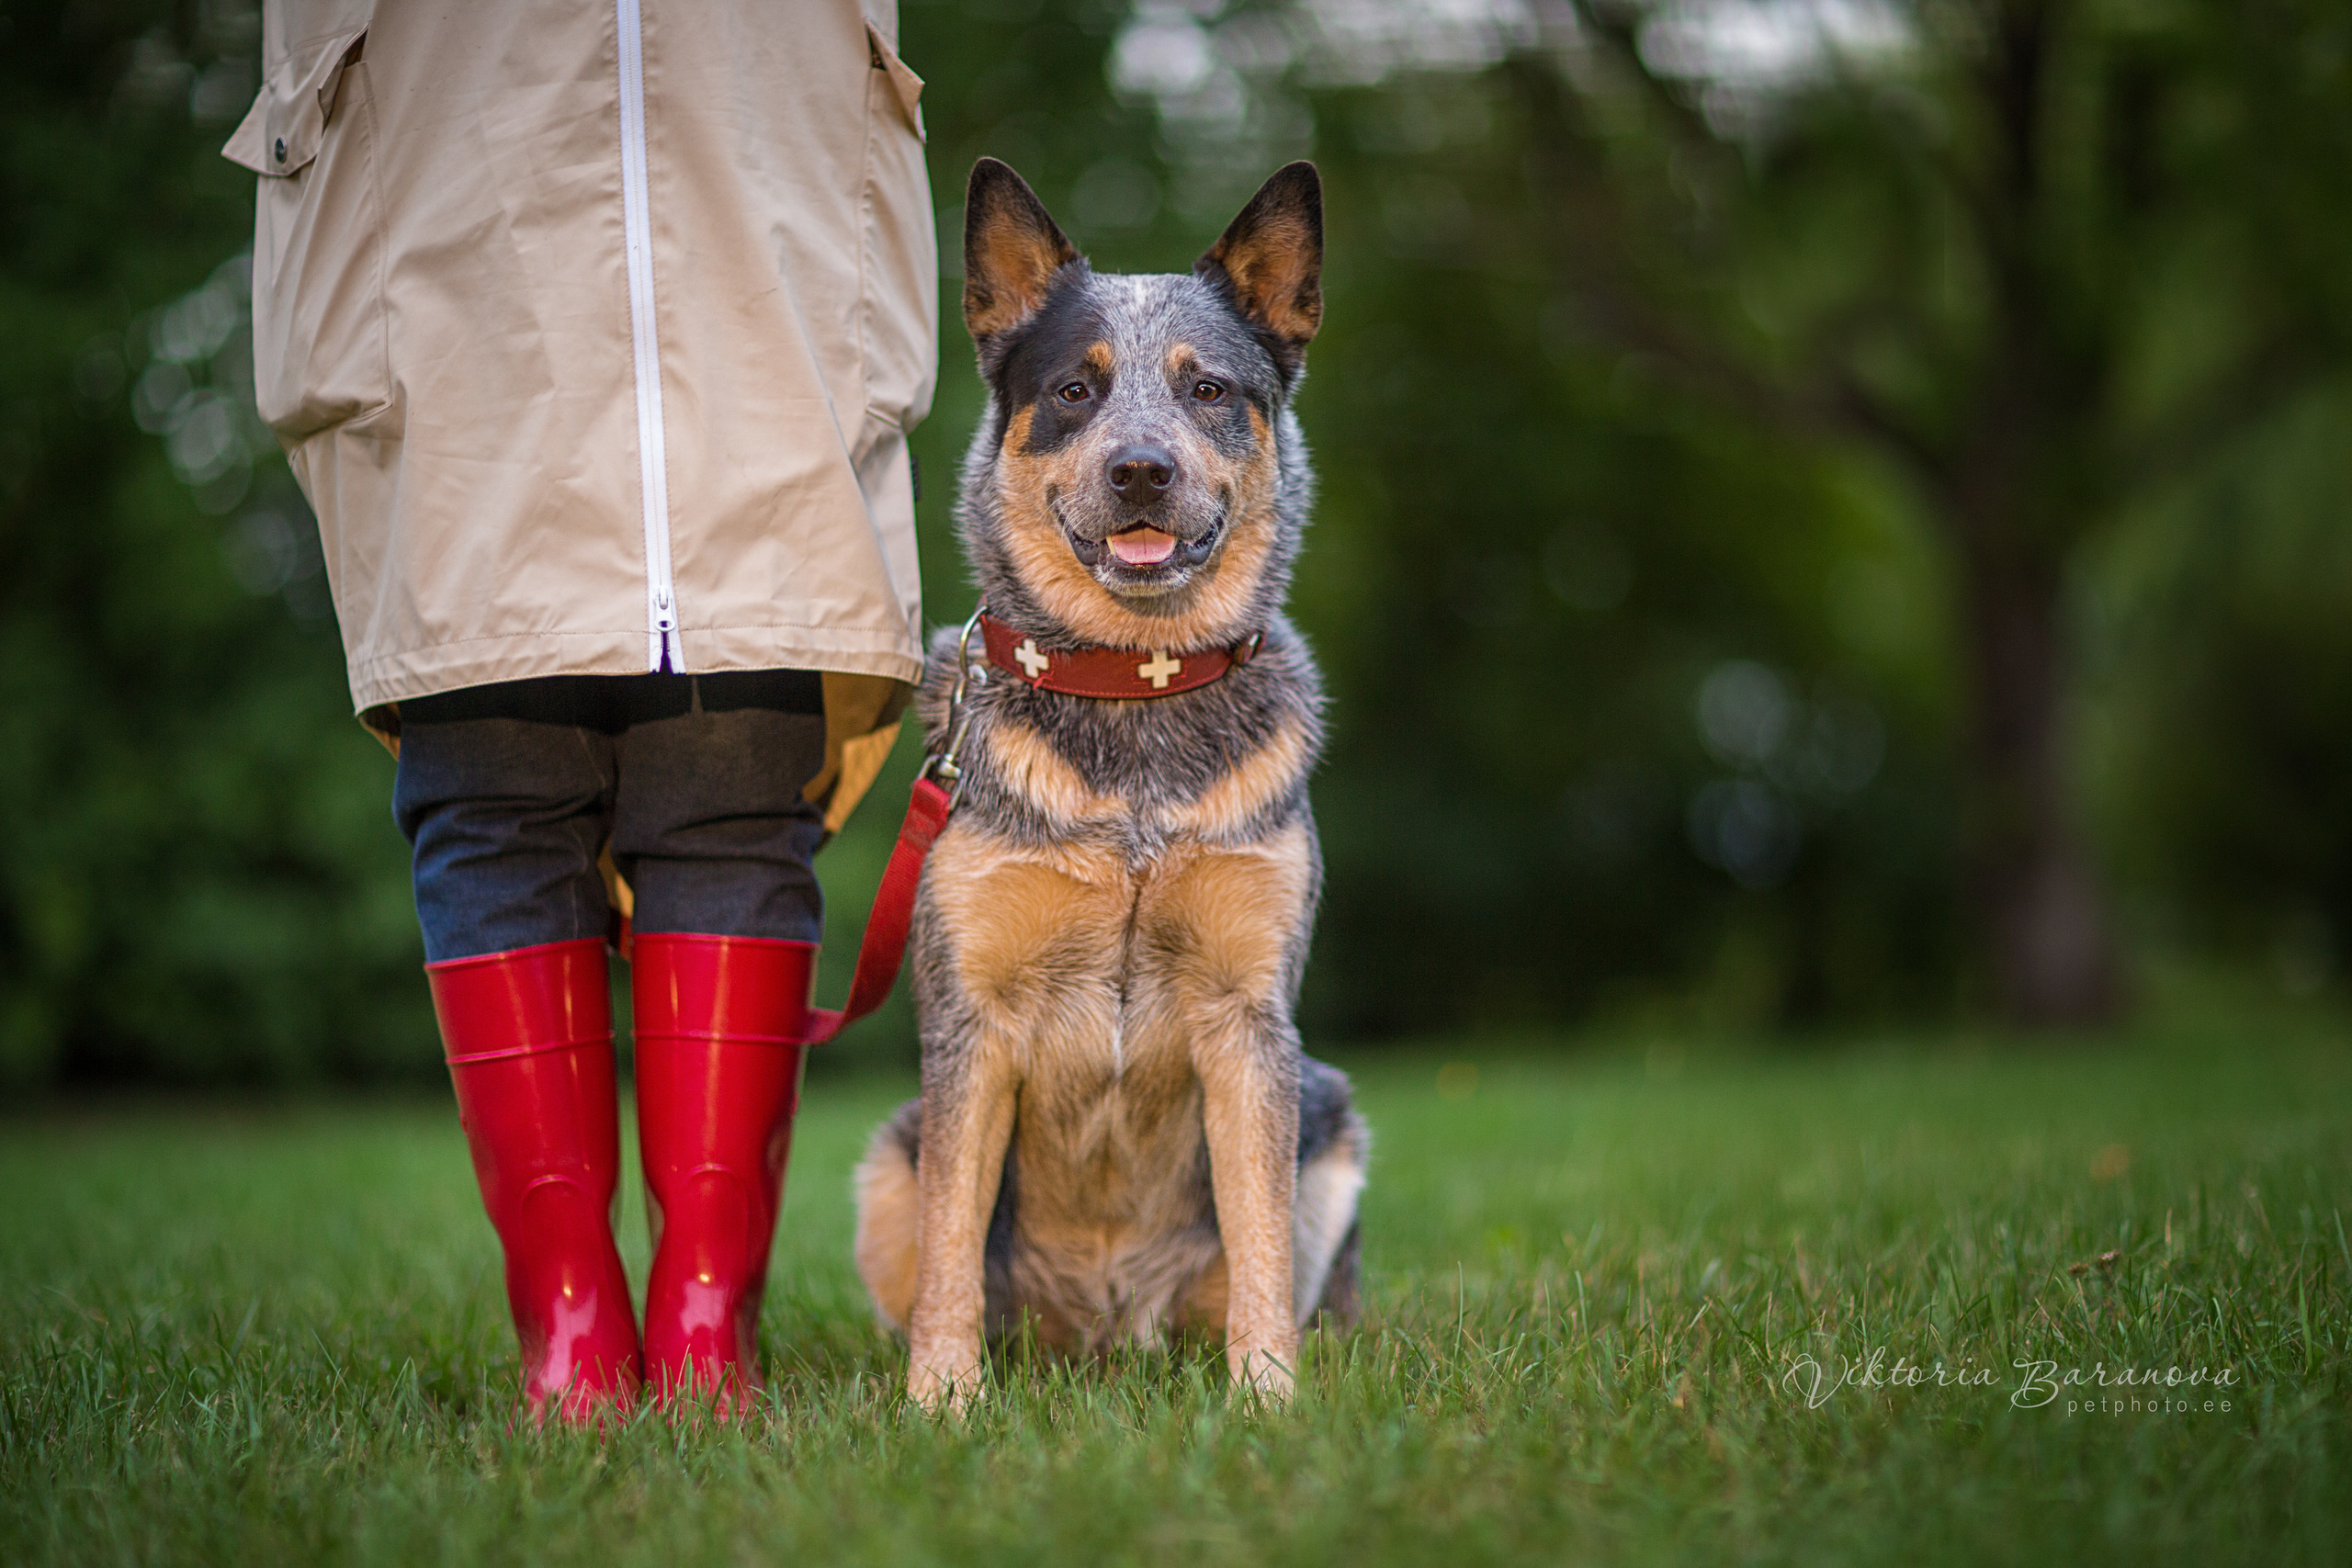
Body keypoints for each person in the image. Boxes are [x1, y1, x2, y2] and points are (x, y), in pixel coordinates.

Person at [223, 0, 936, 1419]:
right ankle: (580, 1331)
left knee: (721, 796)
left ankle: (692, 1328)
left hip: (760, 253)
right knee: (494, 776)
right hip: (449, 243)